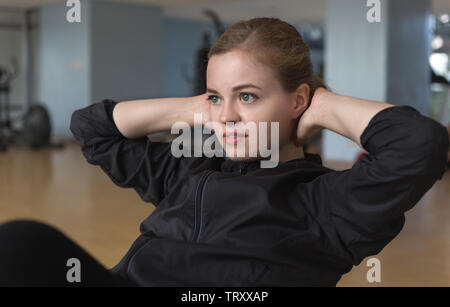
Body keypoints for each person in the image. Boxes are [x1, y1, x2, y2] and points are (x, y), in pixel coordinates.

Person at [1, 17, 448, 287]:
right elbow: (93, 128)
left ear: (298, 100)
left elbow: (419, 144)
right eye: (217, 96)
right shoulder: (187, 171)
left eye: (249, 96)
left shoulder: (327, 203)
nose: (228, 116)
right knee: (21, 243)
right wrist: (200, 108)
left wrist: (323, 106)